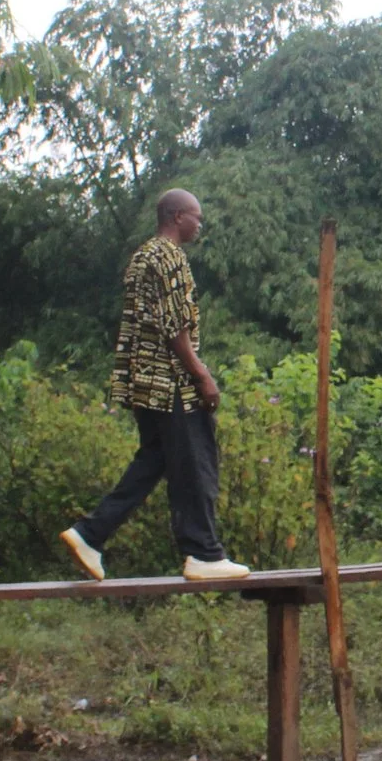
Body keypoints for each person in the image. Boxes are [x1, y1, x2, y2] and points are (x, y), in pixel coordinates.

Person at [59, 190, 250, 581]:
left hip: (145, 381)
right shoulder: (168, 256)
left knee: (153, 462)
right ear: (177, 216)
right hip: (172, 381)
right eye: (196, 217)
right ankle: (203, 554)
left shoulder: (142, 255)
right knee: (196, 463)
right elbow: (175, 327)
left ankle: (90, 534)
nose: (200, 225)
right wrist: (201, 375)